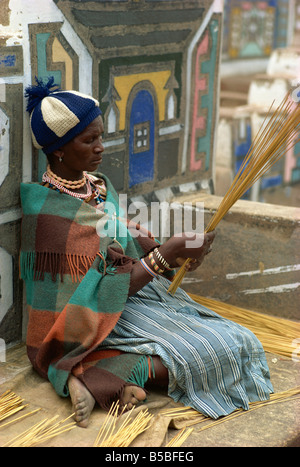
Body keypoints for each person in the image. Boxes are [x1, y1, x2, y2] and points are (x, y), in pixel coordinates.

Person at [20, 77, 273, 428]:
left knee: (238, 340)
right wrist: (165, 254)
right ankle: (97, 376)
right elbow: (97, 293)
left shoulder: (97, 186)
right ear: (59, 149)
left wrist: (176, 254)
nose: (100, 147)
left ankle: (102, 380)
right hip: (84, 319)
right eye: (89, 140)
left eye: (101, 136)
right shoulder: (49, 211)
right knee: (201, 352)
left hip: (126, 301)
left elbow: (124, 240)